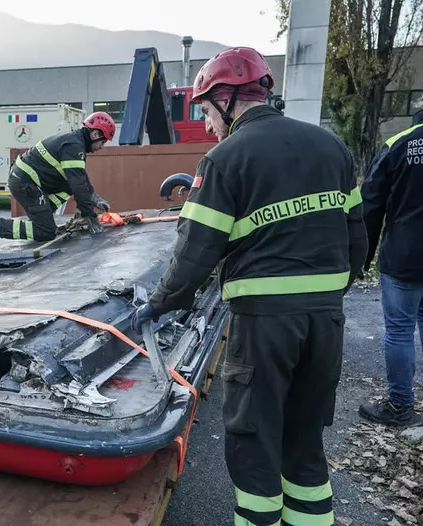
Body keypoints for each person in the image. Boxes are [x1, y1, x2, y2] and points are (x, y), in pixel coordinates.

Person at [130, 47, 367, 526]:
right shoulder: (331, 147)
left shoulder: (224, 159)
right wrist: (323, 296)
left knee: (255, 440)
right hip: (326, 321)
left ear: (225, 98)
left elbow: (195, 252)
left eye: (204, 109)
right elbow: (357, 239)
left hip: (264, 325)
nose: (207, 122)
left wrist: (159, 305)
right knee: (304, 439)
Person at [358, 108, 423, 428]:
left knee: (399, 330)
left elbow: (370, 205)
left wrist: (363, 256)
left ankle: (400, 406)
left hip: (404, 257)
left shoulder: (399, 144)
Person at [0, 112, 115, 252]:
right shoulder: (73, 146)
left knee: (67, 188)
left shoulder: (73, 142)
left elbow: (79, 178)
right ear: (95, 134)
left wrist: (93, 197)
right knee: (46, 232)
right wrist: (90, 216)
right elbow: (78, 185)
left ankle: (42, 218)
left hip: (26, 180)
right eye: (103, 142)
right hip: (26, 183)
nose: (102, 147)